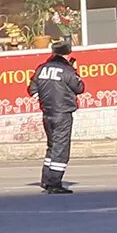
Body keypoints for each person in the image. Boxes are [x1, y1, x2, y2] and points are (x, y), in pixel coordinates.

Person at [28, 38, 85, 194]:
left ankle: (46, 179)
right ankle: (54, 183)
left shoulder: (41, 68)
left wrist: (44, 102)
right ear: (67, 54)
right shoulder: (67, 70)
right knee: (61, 149)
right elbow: (79, 88)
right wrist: (74, 71)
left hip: (47, 113)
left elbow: (32, 89)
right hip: (62, 113)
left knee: (52, 146)